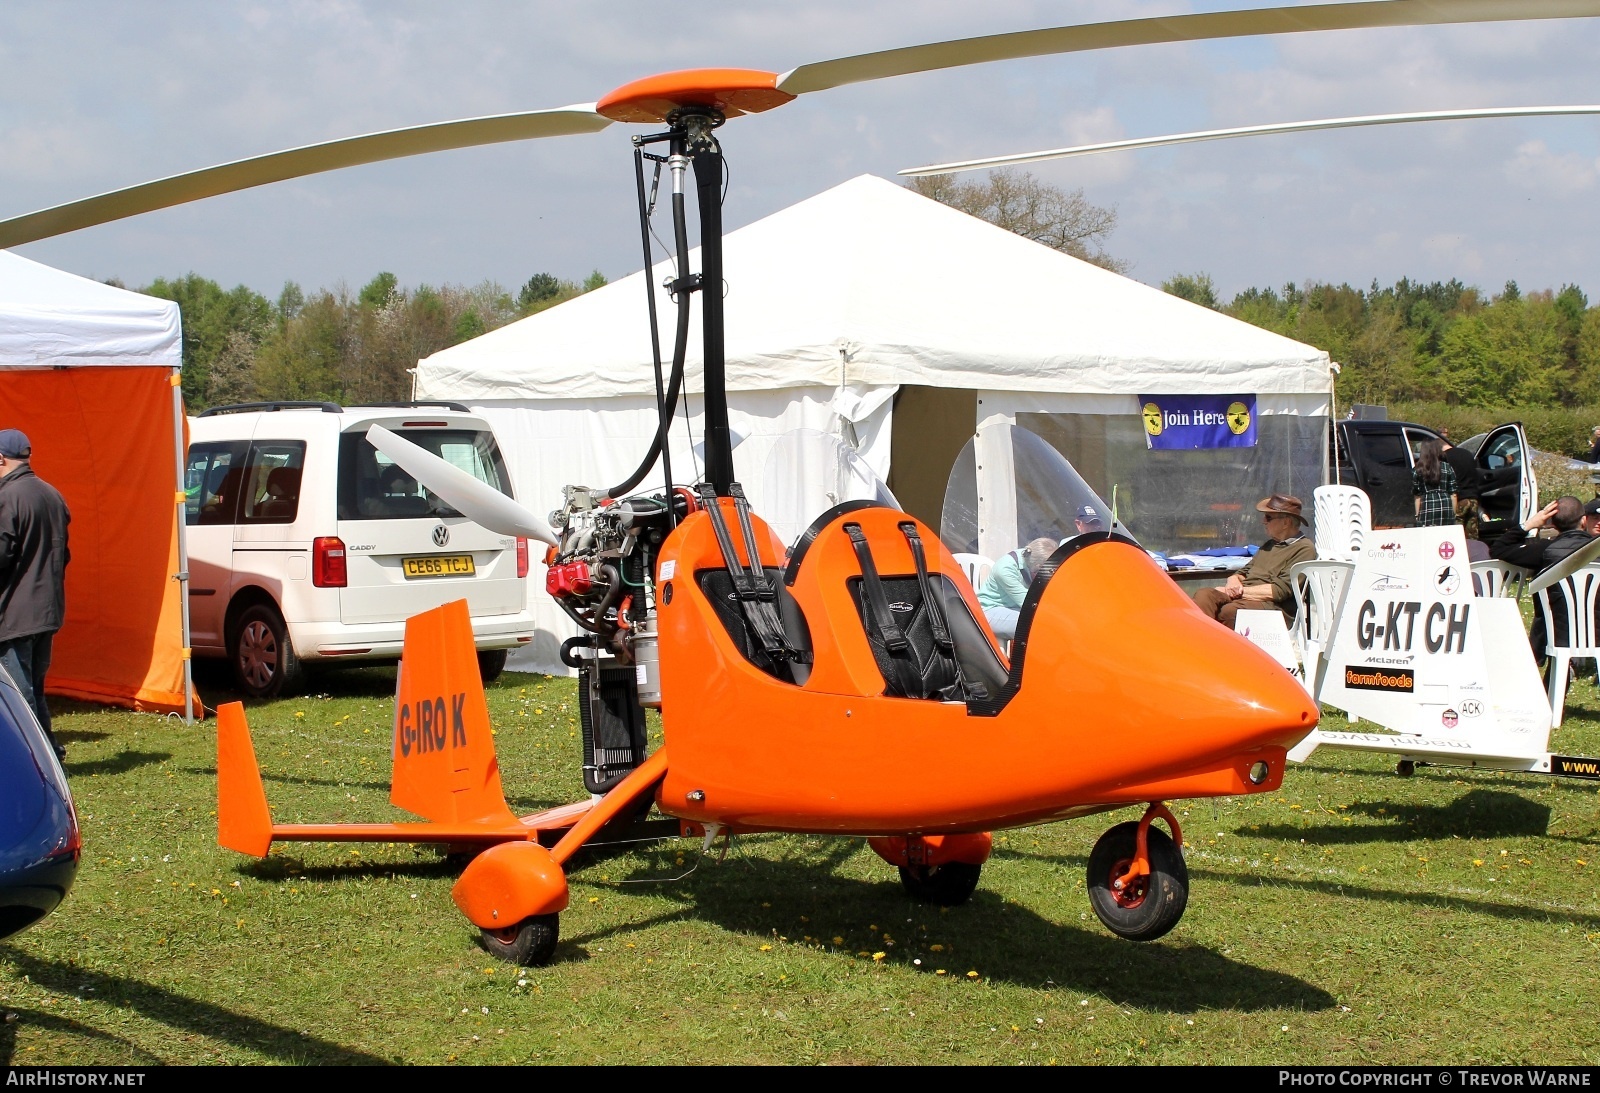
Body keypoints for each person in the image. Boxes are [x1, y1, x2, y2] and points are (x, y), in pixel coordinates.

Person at [0, 429, 71, 759]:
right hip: (47, 610)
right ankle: (51, 755)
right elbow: (63, 556)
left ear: (0, 459)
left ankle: (38, 762)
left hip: (16, 613)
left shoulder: (7, 497)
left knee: (19, 694)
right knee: (35, 690)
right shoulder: (52, 494)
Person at [1489, 495, 1600, 658]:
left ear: (1552, 524)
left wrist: (1529, 525)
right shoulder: (1596, 551)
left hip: (1555, 636)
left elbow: (1498, 549)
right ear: (1584, 521)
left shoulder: (1544, 550)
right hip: (1596, 633)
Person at [1191, 494, 1315, 629]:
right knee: (1204, 595)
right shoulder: (1270, 545)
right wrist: (1233, 580)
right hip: (1245, 596)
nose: (1263, 521)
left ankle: (1220, 647)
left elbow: (1279, 591)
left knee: (1229, 612)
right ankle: (1199, 645)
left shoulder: (1304, 549)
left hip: (1273, 607)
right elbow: (1243, 571)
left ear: (1286, 523)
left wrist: (1235, 592)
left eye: (1268, 517)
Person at [977, 536, 1057, 640]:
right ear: (1038, 566)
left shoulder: (1029, 555)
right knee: (1039, 625)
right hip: (989, 611)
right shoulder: (1005, 569)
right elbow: (1027, 603)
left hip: (1014, 607)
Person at [1439, 434, 1482, 537]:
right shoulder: (1467, 453)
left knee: (1456, 535)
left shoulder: (1444, 457)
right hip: (1473, 499)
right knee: (1472, 534)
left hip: (1459, 499)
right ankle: (1473, 552)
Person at [1412, 439, 1457, 527]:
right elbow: (1453, 494)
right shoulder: (1447, 467)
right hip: (1446, 505)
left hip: (1427, 505)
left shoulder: (1418, 469)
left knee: (1428, 536)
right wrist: (1453, 514)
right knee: (1445, 537)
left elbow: (1417, 496)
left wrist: (1417, 515)